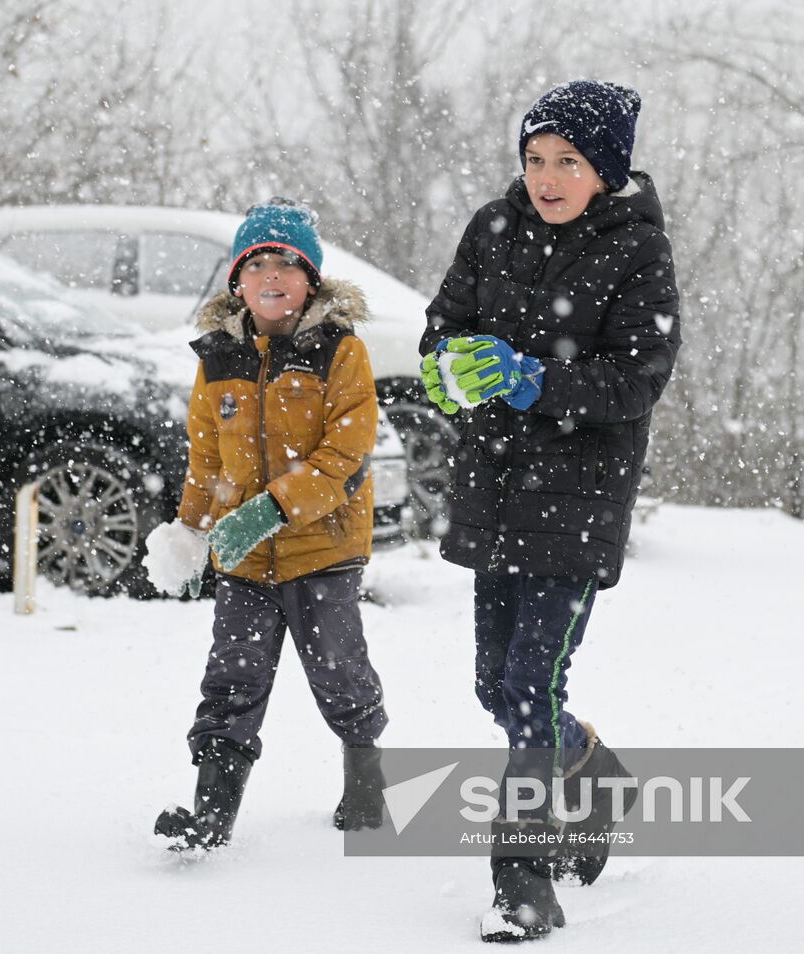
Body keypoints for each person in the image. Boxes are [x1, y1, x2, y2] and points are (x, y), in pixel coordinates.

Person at [419, 81, 682, 941]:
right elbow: (443, 325)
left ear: (605, 170)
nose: (547, 176)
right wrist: (443, 367)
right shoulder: (491, 229)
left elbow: (635, 381)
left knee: (531, 685)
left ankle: (522, 878)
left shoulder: (638, 252)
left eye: (569, 161)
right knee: (495, 683)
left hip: (577, 500)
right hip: (493, 488)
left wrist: (535, 379)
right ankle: (592, 769)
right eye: (535, 159)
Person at [147, 198, 390, 851]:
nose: (273, 276)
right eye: (258, 264)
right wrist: (189, 529)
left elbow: (345, 454)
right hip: (244, 562)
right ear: (237, 279)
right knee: (232, 679)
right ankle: (211, 814)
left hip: (323, 549)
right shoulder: (218, 357)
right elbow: (205, 455)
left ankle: (367, 782)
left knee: (339, 674)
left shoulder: (339, 351)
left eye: (288, 263)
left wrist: (273, 508)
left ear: (311, 278)